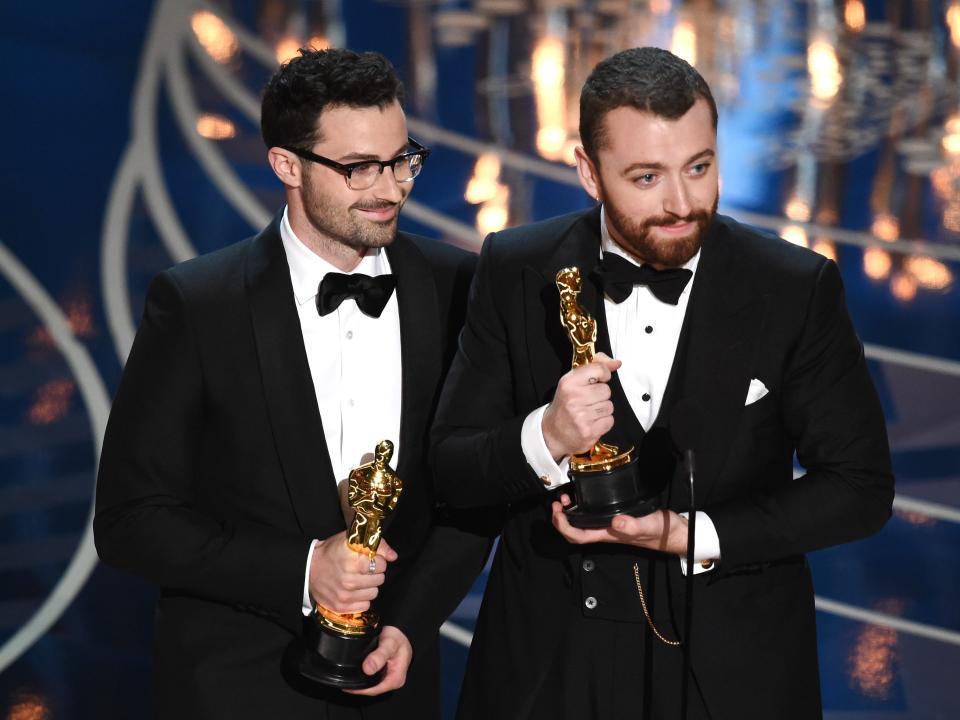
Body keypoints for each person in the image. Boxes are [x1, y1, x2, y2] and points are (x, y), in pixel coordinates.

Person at [431, 46, 893, 719]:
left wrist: (689, 533)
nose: (682, 203)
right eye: (646, 178)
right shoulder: (515, 268)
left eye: (699, 168)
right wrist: (547, 436)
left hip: (731, 666)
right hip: (550, 663)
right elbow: (451, 469)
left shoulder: (794, 287)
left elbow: (860, 488)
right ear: (589, 174)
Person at [94, 48, 486, 720]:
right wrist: (304, 570)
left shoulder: (458, 288)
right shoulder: (198, 305)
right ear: (287, 166)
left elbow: (470, 494)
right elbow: (132, 521)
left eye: (401, 160)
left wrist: (409, 622)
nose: (390, 188)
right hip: (234, 689)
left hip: (393, 685)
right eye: (359, 167)